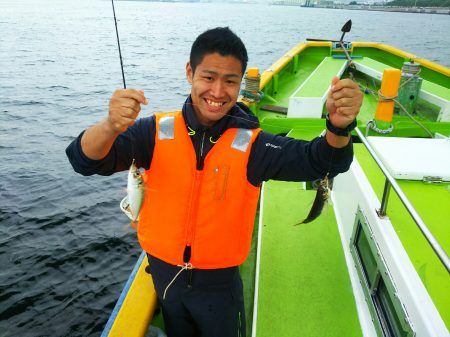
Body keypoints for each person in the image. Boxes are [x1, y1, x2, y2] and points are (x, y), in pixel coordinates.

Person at [66, 27, 362, 337]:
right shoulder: (151, 133)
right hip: (166, 279)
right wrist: (111, 126)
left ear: (240, 82)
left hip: (220, 287)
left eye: (231, 81)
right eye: (208, 77)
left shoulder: (254, 147)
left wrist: (339, 127)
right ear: (190, 72)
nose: (218, 92)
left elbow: (322, 161)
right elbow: (84, 160)